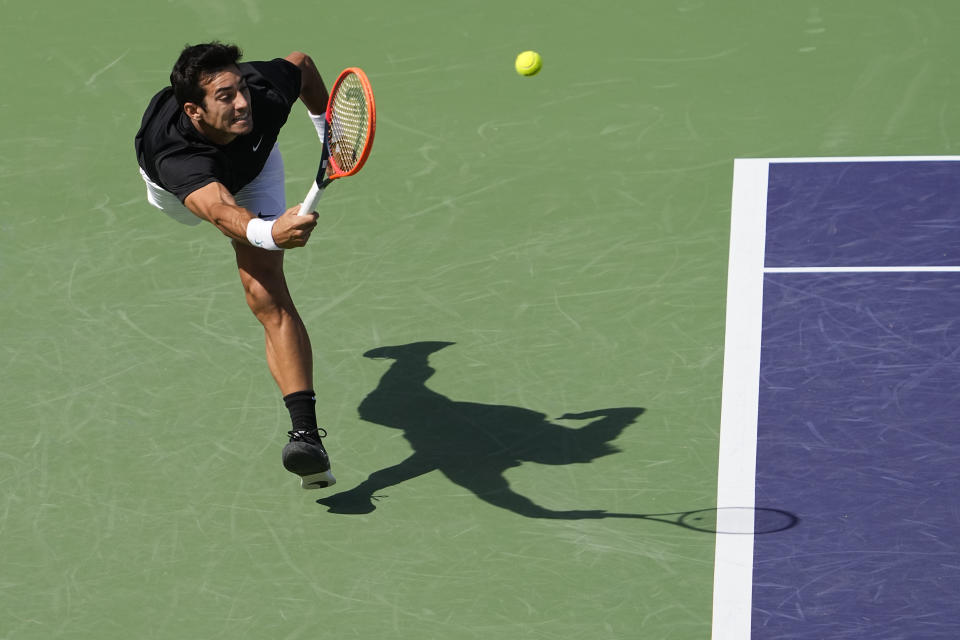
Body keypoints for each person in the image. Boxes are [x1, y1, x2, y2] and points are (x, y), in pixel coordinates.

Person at [135, 42, 335, 490]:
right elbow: (223, 213)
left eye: (241, 88)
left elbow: (302, 64)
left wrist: (328, 133)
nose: (243, 101)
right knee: (236, 227)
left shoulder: (261, 93)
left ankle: (306, 438)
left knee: (265, 293)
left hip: (254, 167)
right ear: (194, 110)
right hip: (188, 197)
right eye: (226, 96)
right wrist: (270, 234)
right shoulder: (178, 157)